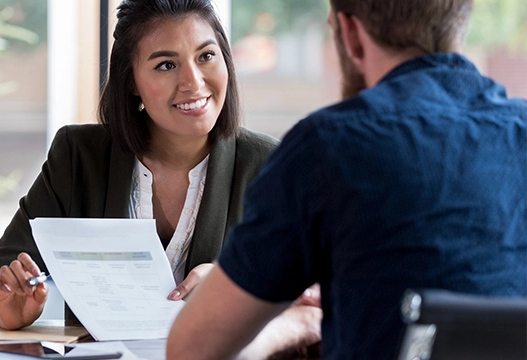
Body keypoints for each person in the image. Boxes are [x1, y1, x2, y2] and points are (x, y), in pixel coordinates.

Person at [167, 0, 527, 359]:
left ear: (350, 35)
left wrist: (297, 323)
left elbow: (191, 349)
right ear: (462, 20)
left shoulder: (329, 146)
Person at [0, 2, 322, 353]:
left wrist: (235, 287)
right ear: (131, 81)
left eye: (206, 56)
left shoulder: (271, 165)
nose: (193, 82)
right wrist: (7, 312)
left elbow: (318, 298)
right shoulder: (79, 157)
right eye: (166, 65)